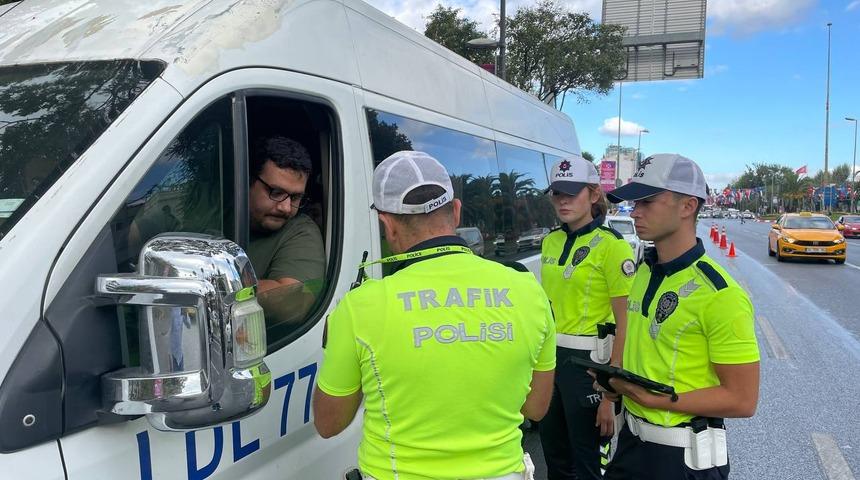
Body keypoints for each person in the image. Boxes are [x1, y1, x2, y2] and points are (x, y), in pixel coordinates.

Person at [312, 150, 556, 480]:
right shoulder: (528, 290)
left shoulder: (360, 306)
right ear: (455, 211)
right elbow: (536, 408)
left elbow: (329, 424)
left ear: (387, 223)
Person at [601, 154, 760, 480]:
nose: (634, 211)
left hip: (682, 459)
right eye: (634, 202)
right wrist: (612, 385)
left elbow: (743, 400)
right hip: (630, 444)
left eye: (646, 201)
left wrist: (657, 400)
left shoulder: (720, 294)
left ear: (688, 206)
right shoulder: (645, 270)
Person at [538, 156, 635, 479]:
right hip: (551, 360)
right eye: (557, 194)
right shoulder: (550, 241)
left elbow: (626, 324)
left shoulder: (612, 247)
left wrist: (611, 393)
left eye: (571, 193)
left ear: (594, 195)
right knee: (555, 458)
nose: (562, 201)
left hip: (590, 365)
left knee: (588, 464)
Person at [246, 136, 325, 326]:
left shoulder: (300, 231)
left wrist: (218, 284)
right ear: (247, 182)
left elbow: (293, 303)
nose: (286, 208)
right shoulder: (218, 210)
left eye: (296, 197)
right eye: (276, 192)